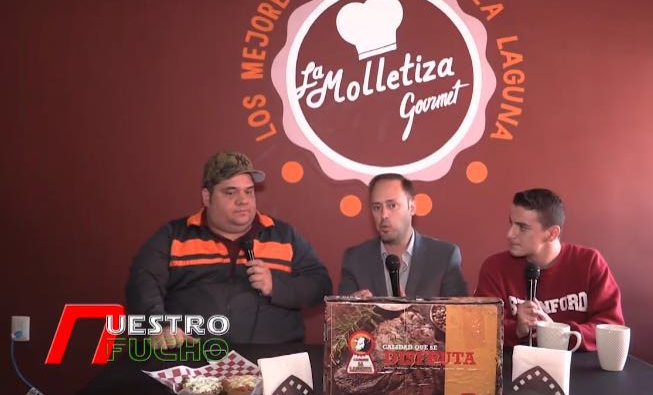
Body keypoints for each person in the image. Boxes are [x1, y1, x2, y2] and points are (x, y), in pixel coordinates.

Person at [126, 151, 332, 348]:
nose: (243, 200)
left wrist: (276, 286)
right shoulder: (174, 236)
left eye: (248, 192)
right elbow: (142, 283)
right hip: (195, 357)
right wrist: (159, 325)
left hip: (273, 360)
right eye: (230, 192)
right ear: (207, 197)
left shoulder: (284, 235)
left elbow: (320, 284)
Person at [475, 188, 624, 351]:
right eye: (511, 224)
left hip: (577, 364)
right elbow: (479, 329)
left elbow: (611, 328)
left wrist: (557, 332)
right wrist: (517, 329)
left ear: (552, 233)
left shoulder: (589, 262)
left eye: (522, 227)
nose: (510, 234)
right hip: (514, 364)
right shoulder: (495, 267)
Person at [338, 173, 467, 297]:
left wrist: (411, 310)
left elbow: (459, 312)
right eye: (377, 207)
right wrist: (350, 308)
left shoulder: (445, 257)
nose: (384, 215)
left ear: (412, 207)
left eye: (392, 205)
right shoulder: (355, 259)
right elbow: (341, 311)